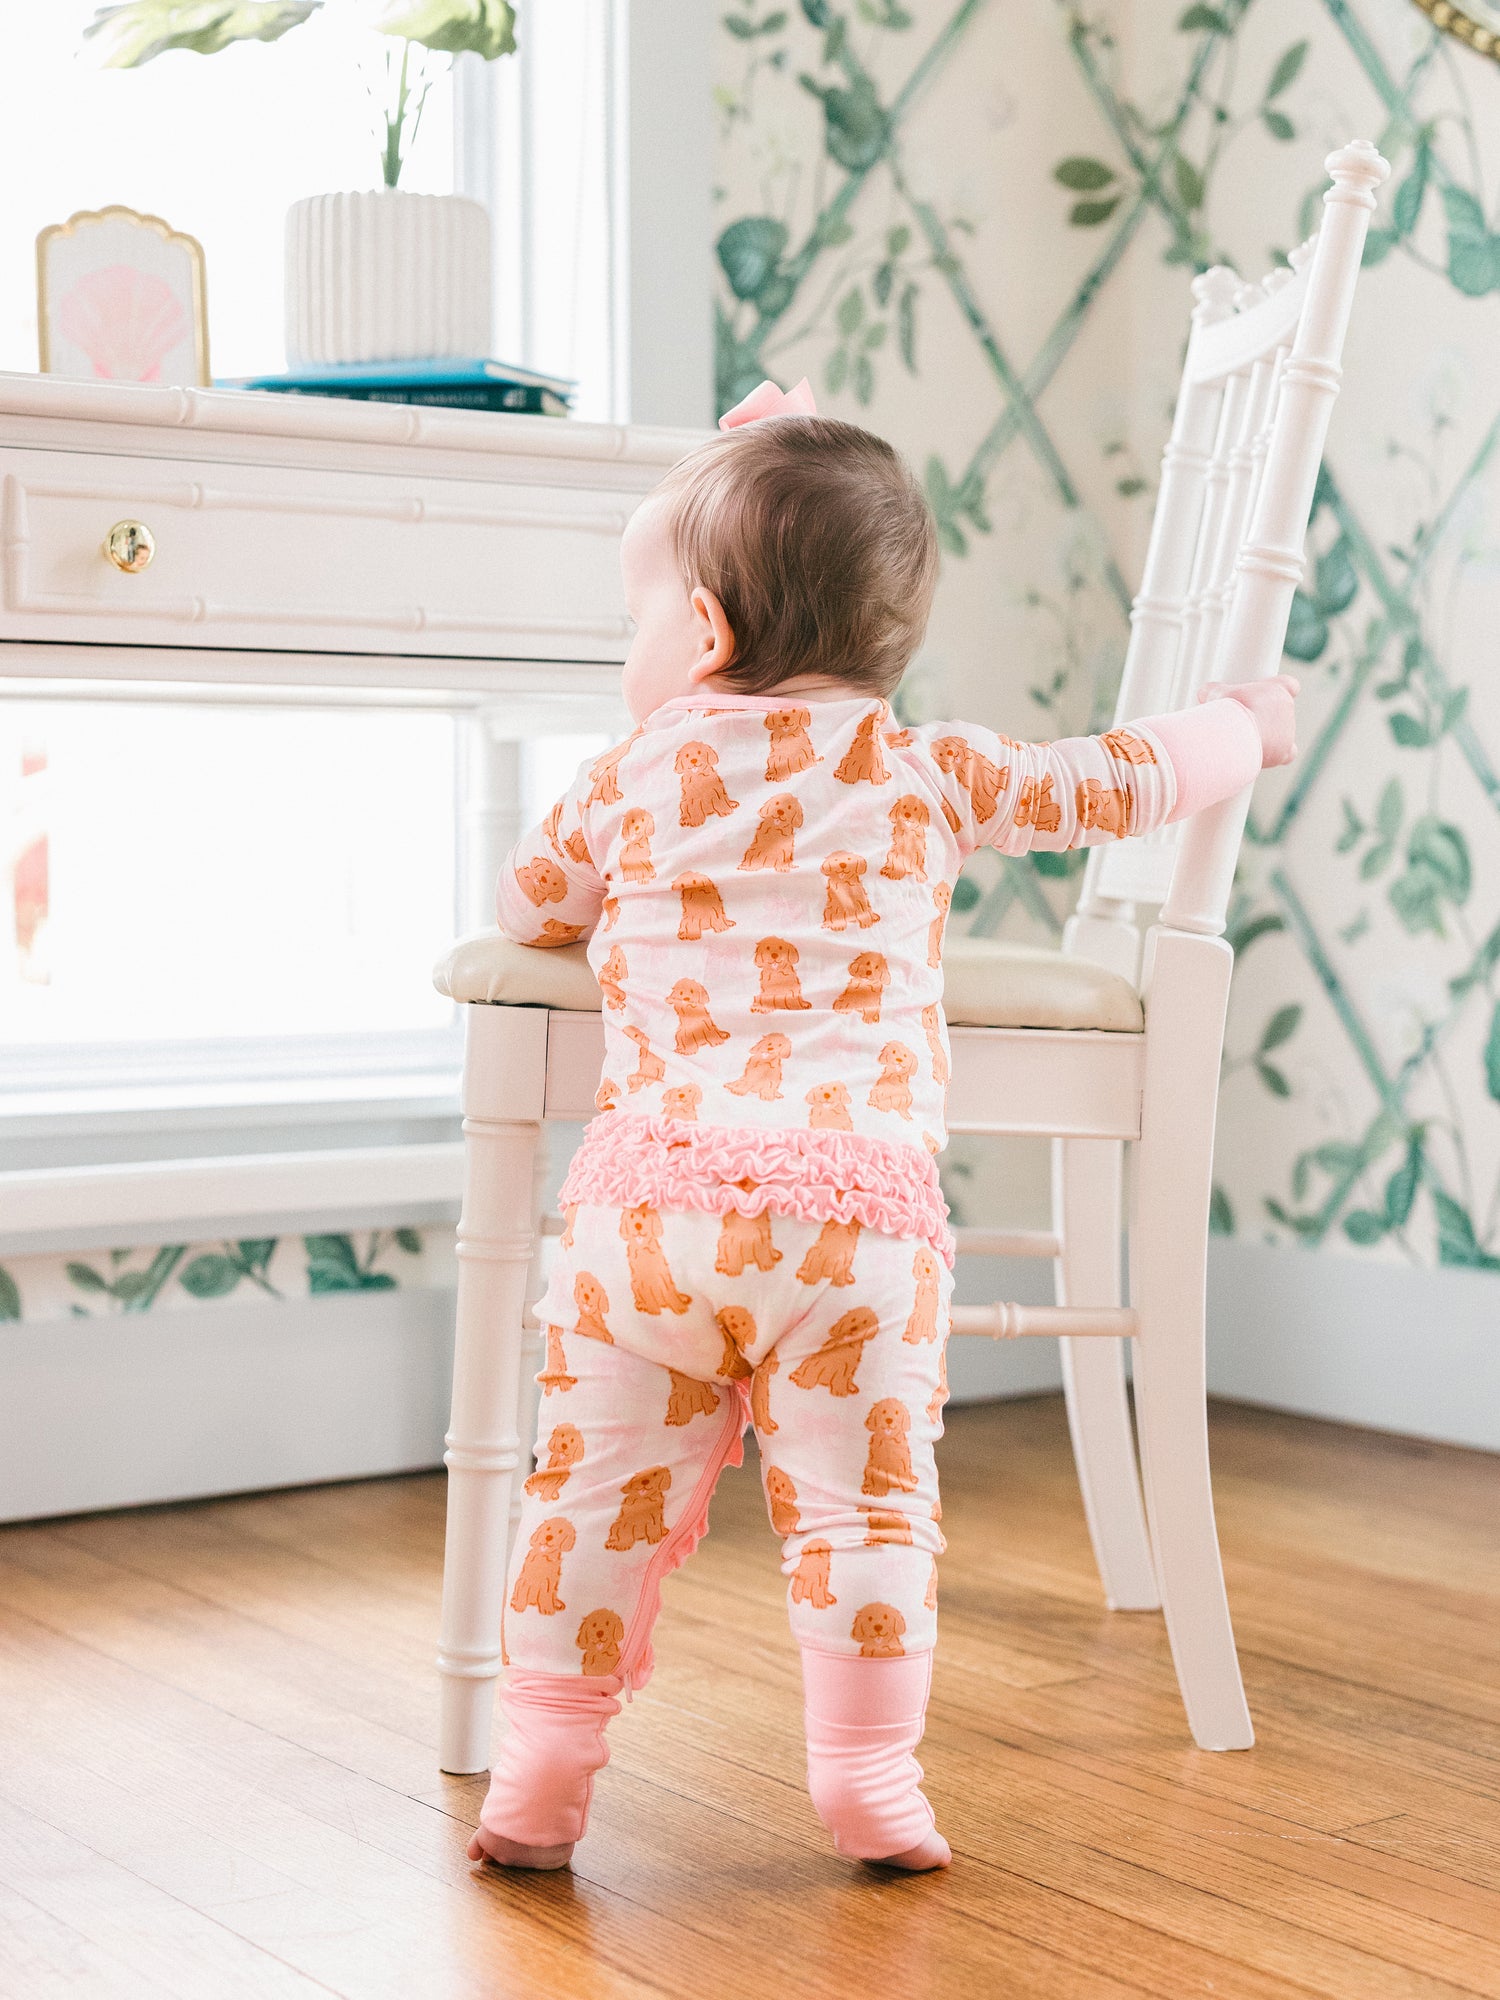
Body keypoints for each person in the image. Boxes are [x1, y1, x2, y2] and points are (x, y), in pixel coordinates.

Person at [468, 378, 1297, 1874]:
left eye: (633, 621)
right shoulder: (925, 770)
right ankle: (867, 1774)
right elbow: (1116, 781)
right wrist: (1239, 726)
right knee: (866, 1517)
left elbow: (530, 906)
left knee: (585, 1502)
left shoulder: (630, 775)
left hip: (648, 1215)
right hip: (857, 1227)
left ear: (702, 634)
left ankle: (540, 1762)